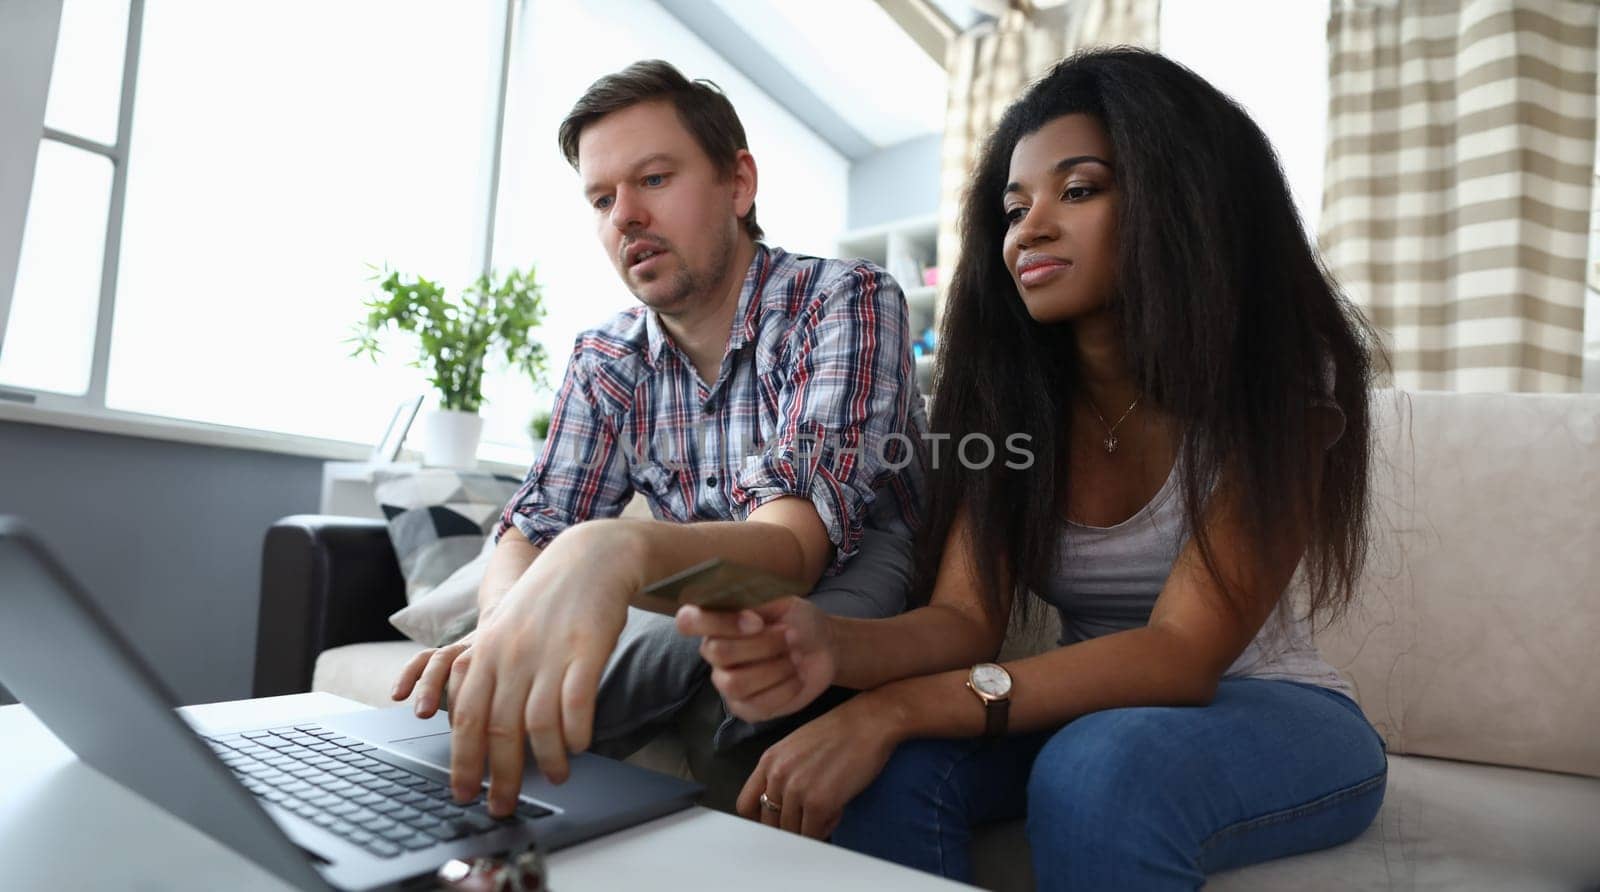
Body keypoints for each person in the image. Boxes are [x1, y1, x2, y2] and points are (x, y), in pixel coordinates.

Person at [680, 47, 1387, 888]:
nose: (1031, 229)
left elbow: (1180, 654)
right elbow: (962, 623)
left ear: (1184, 200)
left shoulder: (1280, 378)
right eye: (1015, 209)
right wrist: (823, 645)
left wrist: (895, 706)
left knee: (1097, 768)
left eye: (1079, 190)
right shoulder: (1005, 407)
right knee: (892, 775)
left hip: (1275, 710)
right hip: (1089, 713)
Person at [389, 59, 926, 820]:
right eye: (602, 199)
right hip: (694, 573)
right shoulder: (607, 357)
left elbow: (797, 547)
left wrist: (611, 552)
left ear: (738, 184)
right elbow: (532, 528)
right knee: (489, 687)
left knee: (739, 665)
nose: (625, 217)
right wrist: (507, 627)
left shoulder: (844, 299)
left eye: (654, 180)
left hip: (855, 550)